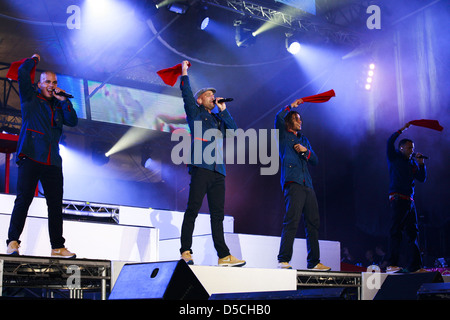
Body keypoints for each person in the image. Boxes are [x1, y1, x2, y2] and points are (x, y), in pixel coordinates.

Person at [6, 54, 78, 258]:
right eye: (47, 81)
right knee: (23, 200)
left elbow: (72, 121)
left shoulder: (58, 104)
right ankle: (12, 242)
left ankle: (57, 247)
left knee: (55, 205)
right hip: (30, 156)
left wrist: (63, 100)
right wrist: (33, 60)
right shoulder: (30, 98)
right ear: (39, 84)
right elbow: (21, 73)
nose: (51, 85)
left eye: (54, 82)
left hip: (52, 162)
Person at [178, 60, 245, 267]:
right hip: (201, 167)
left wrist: (223, 110)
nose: (213, 97)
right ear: (200, 100)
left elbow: (234, 132)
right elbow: (186, 94)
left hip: (218, 171)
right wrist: (184, 73)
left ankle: (223, 255)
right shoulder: (195, 114)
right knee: (193, 210)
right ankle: (186, 250)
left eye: (213, 95)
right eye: (209, 95)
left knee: (218, 215)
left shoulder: (217, 121)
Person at [275, 99, 330, 271]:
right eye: (297, 119)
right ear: (290, 121)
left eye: (301, 119)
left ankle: (314, 262)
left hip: (307, 184)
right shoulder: (283, 135)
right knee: (292, 220)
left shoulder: (304, 139)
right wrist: (291, 106)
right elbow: (278, 116)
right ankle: (283, 259)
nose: (300, 122)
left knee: (313, 223)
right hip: (293, 182)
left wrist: (306, 152)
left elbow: (315, 160)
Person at [385, 122, 426, 273]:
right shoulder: (394, 157)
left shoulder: (412, 163)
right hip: (397, 198)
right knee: (395, 230)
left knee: (412, 232)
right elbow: (390, 141)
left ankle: (415, 266)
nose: (411, 150)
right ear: (401, 147)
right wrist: (401, 129)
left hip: (410, 200)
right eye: (409, 148)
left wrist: (421, 164)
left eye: (413, 148)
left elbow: (421, 178)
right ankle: (391, 264)